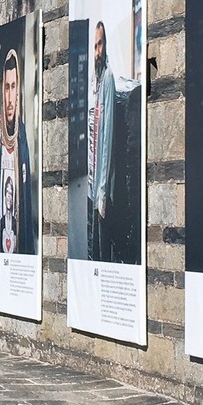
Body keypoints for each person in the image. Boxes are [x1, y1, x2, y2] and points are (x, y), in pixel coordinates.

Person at [0, 48, 36, 255]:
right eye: (6, 87)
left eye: (13, 87)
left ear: (18, 92)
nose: (9, 97)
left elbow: (27, 203)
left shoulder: (22, 139)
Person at [87, 21, 118, 262]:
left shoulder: (107, 79)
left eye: (101, 44)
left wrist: (102, 192)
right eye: (96, 45)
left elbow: (106, 140)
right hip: (89, 185)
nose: (99, 51)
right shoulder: (93, 82)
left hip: (100, 190)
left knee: (101, 253)